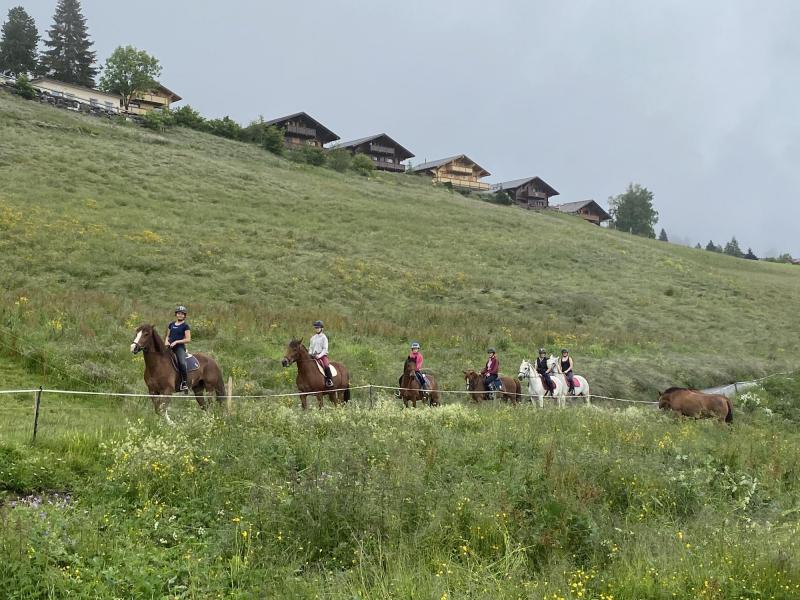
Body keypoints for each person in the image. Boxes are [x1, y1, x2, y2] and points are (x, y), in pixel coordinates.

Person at [165, 305, 191, 393]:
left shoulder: (185, 326)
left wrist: (176, 342)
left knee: (182, 363)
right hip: (169, 347)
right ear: (176, 314)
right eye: (179, 313)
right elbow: (167, 336)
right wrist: (166, 341)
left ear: (184, 316)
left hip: (179, 347)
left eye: (182, 314)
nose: (180, 315)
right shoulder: (171, 324)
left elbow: (188, 339)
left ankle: (184, 383)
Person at [309, 320, 334, 387]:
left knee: (326, 365)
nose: (316, 329)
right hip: (313, 356)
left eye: (318, 328)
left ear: (321, 328)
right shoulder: (312, 338)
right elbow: (310, 347)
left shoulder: (324, 338)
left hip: (322, 355)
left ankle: (329, 380)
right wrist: (310, 354)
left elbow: (325, 349)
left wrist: (319, 356)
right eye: (315, 328)